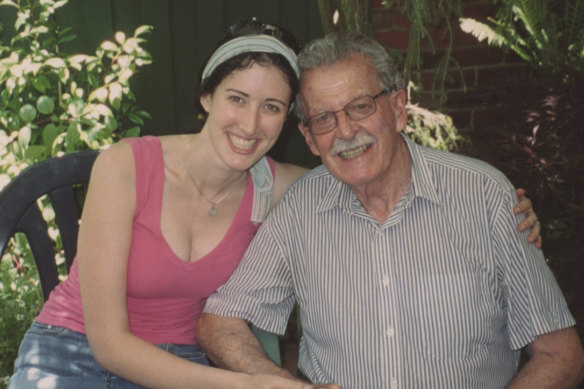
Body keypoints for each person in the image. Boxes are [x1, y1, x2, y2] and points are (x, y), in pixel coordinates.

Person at [7, 20, 538, 389]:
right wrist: (249, 382)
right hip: (74, 351)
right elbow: (109, 345)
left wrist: (495, 206)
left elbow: (373, 166)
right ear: (206, 97)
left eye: (273, 108)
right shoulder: (125, 166)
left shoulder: (285, 188)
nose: (250, 125)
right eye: (237, 99)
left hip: (186, 365)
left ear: (291, 124)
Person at [197, 32, 584, 388]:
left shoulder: (483, 197)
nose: (345, 132)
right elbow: (220, 322)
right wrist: (284, 385)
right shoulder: (300, 209)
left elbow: (558, 353)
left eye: (360, 106)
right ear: (309, 138)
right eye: (324, 119)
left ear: (399, 108)